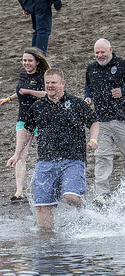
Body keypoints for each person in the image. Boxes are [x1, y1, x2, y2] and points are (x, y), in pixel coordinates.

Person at [8, 68, 99, 230]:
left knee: (70, 196)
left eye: (54, 83)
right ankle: (48, 242)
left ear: (62, 84)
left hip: (73, 159)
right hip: (45, 161)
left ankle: (82, 208)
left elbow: (93, 122)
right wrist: (17, 154)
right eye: (48, 83)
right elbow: (27, 131)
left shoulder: (76, 103)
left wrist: (93, 139)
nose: (50, 86)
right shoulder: (38, 106)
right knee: (42, 206)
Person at [85, 38, 125, 200]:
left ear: (110, 50)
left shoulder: (124, 65)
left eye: (102, 52)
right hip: (101, 122)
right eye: (97, 53)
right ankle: (102, 195)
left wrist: (124, 91)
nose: (99, 55)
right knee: (102, 157)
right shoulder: (91, 68)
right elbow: (88, 85)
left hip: (123, 120)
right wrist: (88, 97)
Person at [2, 48, 50, 203]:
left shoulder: (43, 76)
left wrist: (30, 91)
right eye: (24, 60)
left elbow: (49, 94)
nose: (26, 63)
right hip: (23, 119)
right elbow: (20, 92)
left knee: (46, 153)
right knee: (21, 154)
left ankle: (48, 186)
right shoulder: (22, 74)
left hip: (41, 119)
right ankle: (19, 191)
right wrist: (8, 99)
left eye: (29, 60)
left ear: (37, 61)